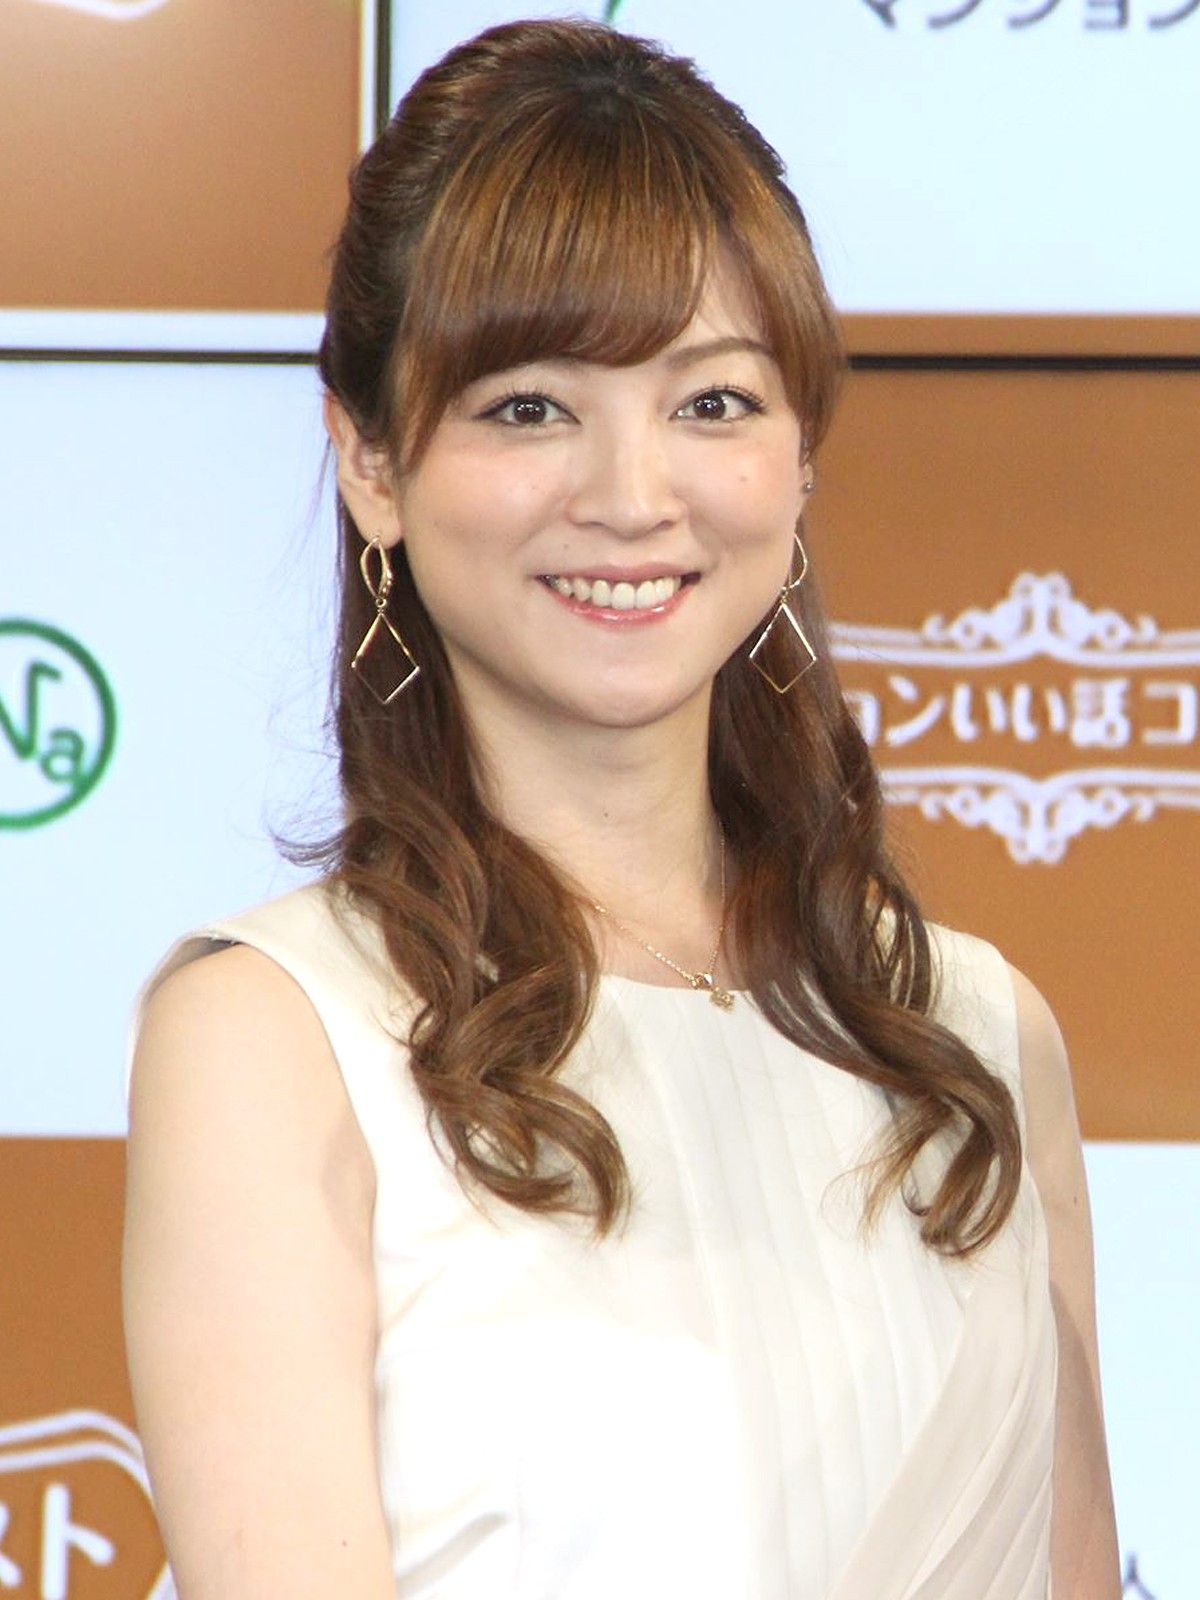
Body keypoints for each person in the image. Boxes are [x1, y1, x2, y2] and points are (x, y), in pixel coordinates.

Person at [122, 18, 1120, 1600]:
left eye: (712, 403)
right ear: (371, 460)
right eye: (530, 406)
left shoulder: (983, 1034)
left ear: (801, 456)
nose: (633, 494)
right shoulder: (276, 1038)